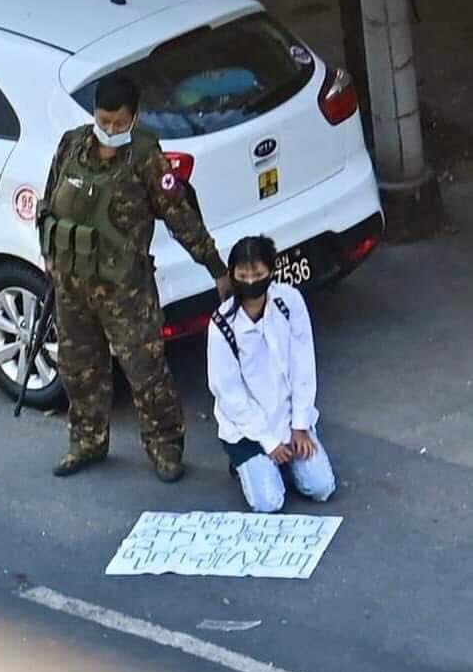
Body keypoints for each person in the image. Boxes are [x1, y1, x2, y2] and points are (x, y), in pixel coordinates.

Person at [37, 73, 230, 481]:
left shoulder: (145, 157)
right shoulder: (72, 145)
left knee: (145, 370)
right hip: (72, 285)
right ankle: (86, 441)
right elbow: (49, 205)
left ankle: (165, 447)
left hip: (125, 291)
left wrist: (216, 269)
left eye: (119, 123)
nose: (110, 130)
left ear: (134, 117)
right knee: (77, 367)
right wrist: (50, 261)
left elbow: (181, 216)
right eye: (104, 120)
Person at [207, 235, 336, 513]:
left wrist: (300, 425)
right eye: (243, 275)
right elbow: (228, 392)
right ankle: (246, 464)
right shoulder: (221, 324)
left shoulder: (289, 302)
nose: (251, 282)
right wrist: (267, 440)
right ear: (232, 275)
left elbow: (303, 364)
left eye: (258, 274)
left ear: (271, 272)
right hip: (248, 429)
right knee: (269, 503)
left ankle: (285, 460)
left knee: (321, 486)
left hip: (288, 418)